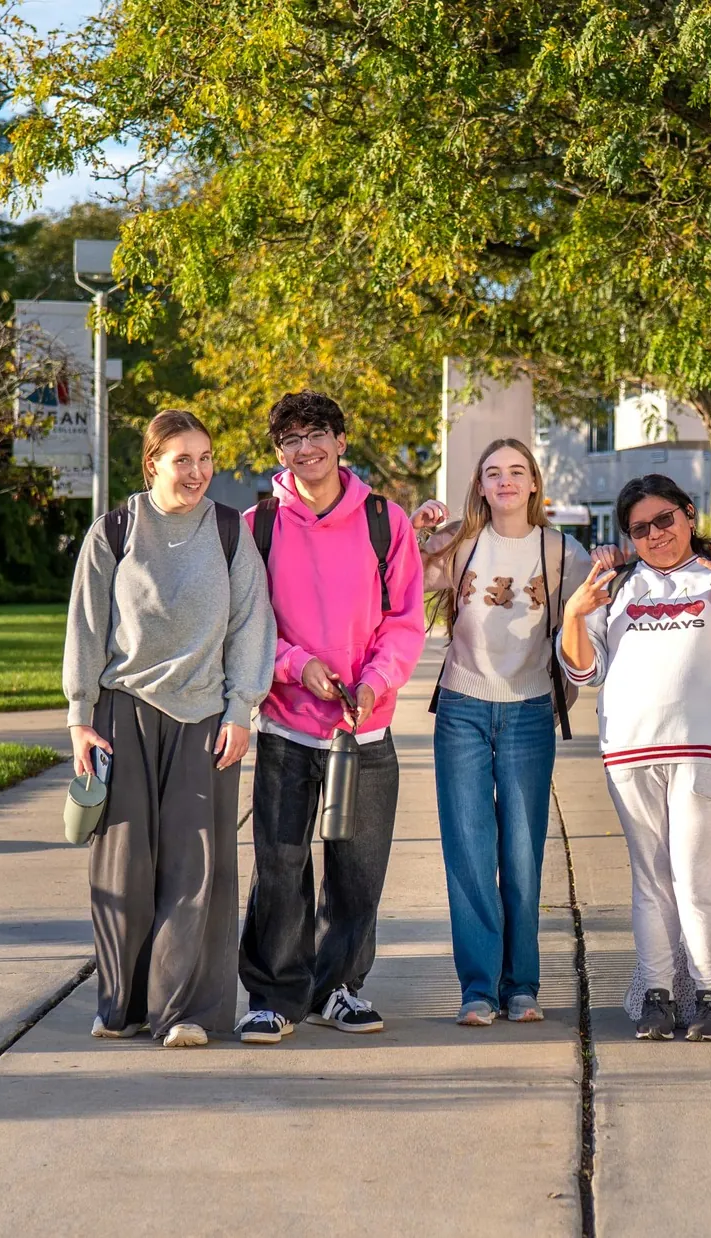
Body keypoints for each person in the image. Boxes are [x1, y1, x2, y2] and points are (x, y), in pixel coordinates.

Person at [64, 409, 275, 1049]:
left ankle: (182, 1011)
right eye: (183, 459)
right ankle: (122, 1004)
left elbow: (250, 629)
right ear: (152, 462)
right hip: (122, 712)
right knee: (124, 868)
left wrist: (241, 712)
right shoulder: (114, 531)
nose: (198, 471)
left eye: (205, 458)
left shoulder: (230, 532)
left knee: (196, 871)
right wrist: (79, 718)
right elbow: (86, 628)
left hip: (204, 719)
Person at [559, 474, 711, 1042]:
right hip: (628, 751)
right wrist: (572, 615)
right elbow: (585, 671)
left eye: (666, 520)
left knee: (693, 874)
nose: (656, 534)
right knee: (651, 879)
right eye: (641, 528)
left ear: (688, 514)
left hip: (704, 749)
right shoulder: (617, 588)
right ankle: (656, 994)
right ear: (629, 536)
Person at [233, 391, 426, 1045]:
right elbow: (245, 623)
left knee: (357, 867)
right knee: (280, 865)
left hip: (363, 728)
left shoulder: (384, 521)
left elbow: (405, 620)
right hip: (287, 725)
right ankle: (270, 996)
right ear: (277, 451)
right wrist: (293, 665)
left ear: (341, 442)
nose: (304, 448)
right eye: (289, 438)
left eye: (316, 433)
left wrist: (373, 685)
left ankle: (338, 989)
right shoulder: (256, 525)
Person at [411, 439, 610, 1026]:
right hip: (462, 707)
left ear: (533, 484)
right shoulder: (459, 543)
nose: (504, 481)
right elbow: (404, 583)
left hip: (529, 712)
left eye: (516, 472)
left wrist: (607, 560)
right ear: (479, 484)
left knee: (522, 853)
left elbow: (596, 615)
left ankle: (521, 984)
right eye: (493, 472)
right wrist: (422, 536)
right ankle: (478, 988)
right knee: (469, 851)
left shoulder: (561, 550)